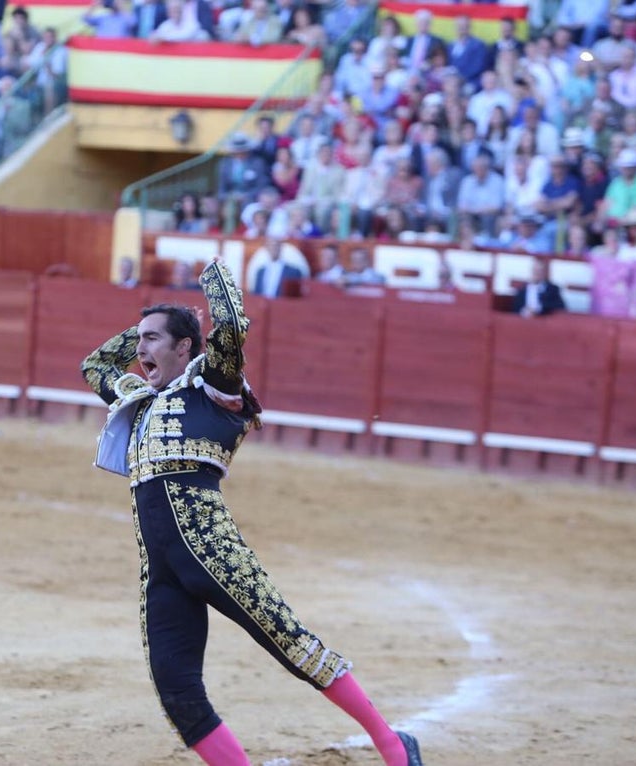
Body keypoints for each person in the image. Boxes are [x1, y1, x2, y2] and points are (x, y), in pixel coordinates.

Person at [79, 258, 424, 766]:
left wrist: (213, 276)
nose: (139, 350)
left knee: (292, 644)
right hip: (161, 568)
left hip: (214, 550)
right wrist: (145, 328)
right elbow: (94, 366)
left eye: (153, 340)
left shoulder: (214, 384)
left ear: (184, 348)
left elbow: (232, 325)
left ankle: (394, 746)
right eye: (139, 340)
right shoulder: (140, 397)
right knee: (176, 691)